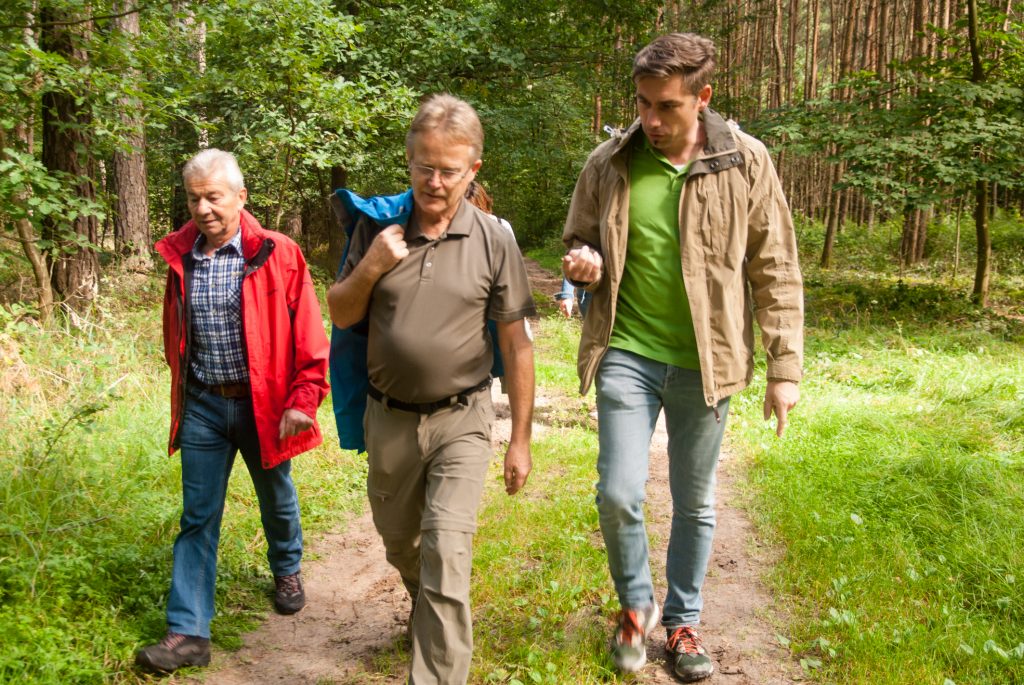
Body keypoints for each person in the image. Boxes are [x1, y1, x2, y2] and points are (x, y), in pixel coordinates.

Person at [561, 33, 804, 682]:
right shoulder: (608, 162)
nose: (652, 120)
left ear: (703, 97)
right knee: (617, 491)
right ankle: (636, 608)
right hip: (627, 352)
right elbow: (580, 240)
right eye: (642, 104)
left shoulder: (744, 162)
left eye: (667, 106)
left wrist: (784, 368)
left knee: (695, 500)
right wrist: (582, 265)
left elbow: (775, 268)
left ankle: (684, 619)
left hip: (707, 359)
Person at [326, 94, 536, 685]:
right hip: (388, 418)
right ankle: (426, 604)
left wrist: (519, 439)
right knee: (402, 543)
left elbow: (517, 345)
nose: (434, 182)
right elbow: (340, 315)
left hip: (462, 417)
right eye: (424, 167)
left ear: (474, 170)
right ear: (410, 160)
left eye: (449, 170)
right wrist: (370, 265)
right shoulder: (378, 229)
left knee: (447, 549)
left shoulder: (495, 240)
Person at [137, 149, 330, 674]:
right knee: (197, 517)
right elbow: (176, 336)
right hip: (203, 404)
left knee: (276, 497)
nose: (203, 208)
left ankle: (287, 568)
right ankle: (188, 633)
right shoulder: (183, 258)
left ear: (240, 197)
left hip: (263, 405)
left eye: (213, 196)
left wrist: (303, 399)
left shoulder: (278, 253)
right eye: (194, 198)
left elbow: (312, 338)